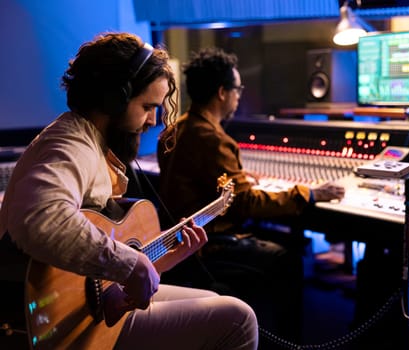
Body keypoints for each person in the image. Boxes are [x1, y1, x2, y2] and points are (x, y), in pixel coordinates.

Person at [0, 32, 258, 350]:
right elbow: (40, 218)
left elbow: (101, 270)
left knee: (212, 299)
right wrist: (131, 263)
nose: (153, 120)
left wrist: (161, 260)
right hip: (60, 323)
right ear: (115, 99)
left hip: (92, 306)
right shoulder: (70, 144)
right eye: (148, 106)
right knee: (238, 318)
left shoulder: (90, 142)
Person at [156, 47, 345, 344]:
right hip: (209, 246)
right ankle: (287, 341)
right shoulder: (213, 139)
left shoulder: (174, 130)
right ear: (222, 92)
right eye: (237, 88)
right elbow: (244, 203)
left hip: (179, 244)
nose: (239, 95)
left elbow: (204, 183)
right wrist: (310, 193)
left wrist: (242, 178)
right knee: (287, 260)